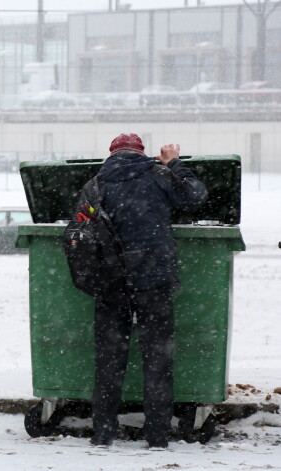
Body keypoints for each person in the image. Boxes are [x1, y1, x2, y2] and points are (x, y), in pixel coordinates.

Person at [80, 133, 208, 449]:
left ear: (110, 154)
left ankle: (104, 433)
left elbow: (81, 228)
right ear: (142, 153)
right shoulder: (159, 175)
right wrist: (176, 163)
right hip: (155, 282)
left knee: (109, 361)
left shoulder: (95, 185)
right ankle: (157, 436)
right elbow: (196, 198)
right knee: (157, 361)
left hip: (112, 285)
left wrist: (91, 276)